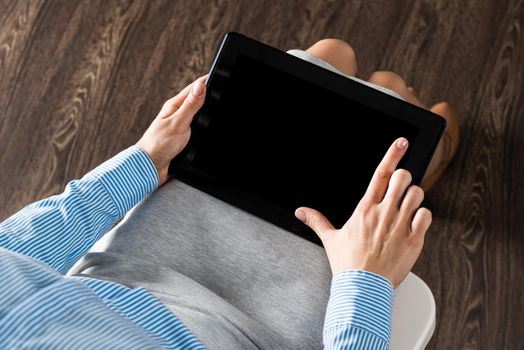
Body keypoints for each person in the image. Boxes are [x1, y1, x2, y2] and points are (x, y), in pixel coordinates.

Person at [0, 39, 459, 349]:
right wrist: (365, 280)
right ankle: (430, 158)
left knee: (327, 55)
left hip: (126, 275)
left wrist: (143, 163)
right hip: (256, 331)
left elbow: (11, 256)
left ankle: (420, 148)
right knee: (396, 104)